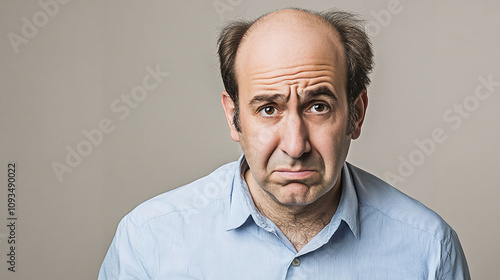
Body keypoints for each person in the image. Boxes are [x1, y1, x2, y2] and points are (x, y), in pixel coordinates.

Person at [99, 8, 470, 279]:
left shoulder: (429, 250)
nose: (295, 146)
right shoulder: (149, 240)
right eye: (268, 108)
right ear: (234, 117)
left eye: (318, 106)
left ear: (356, 114)